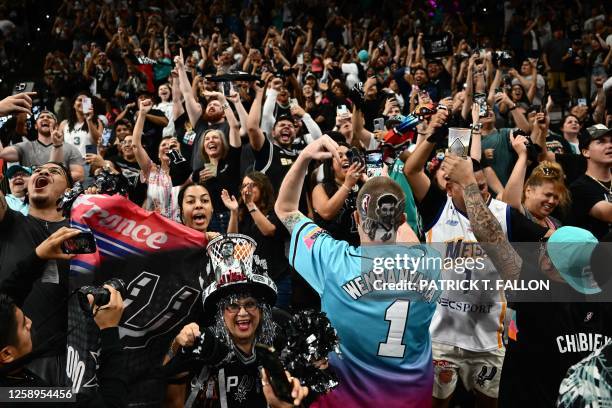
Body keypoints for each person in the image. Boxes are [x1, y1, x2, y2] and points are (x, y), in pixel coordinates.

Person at [275, 136, 441, 407]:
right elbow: (408, 237)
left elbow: (285, 209)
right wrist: (382, 185)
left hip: (346, 401)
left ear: (355, 217)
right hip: (413, 400)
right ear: (400, 218)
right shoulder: (429, 264)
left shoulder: (334, 262)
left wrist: (304, 157)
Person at [440, 154, 612, 407]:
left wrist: (468, 183)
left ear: (548, 263)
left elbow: (491, 237)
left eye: (545, 248)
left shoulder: (539, 294)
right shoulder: (604, 296)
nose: (540, 248)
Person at [164, 234, 308, 408]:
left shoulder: (277, 341)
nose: (242, 313)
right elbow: (171, 393)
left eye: (250, 304)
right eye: (232, 306)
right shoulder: (203, 342)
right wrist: (178, 344)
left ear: (261, 310)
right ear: (220, 312)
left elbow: (303, 391)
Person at [0, 228, 127, 408]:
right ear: (6, 354)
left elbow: (8, 295)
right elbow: (111, 404)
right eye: (23, 326)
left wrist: (39, 256)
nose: (29, 322)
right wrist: (109, 330)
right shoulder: (27, 396)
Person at [222, 172, 292, 309]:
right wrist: (234, 212)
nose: (246, 189)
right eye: (244, 186)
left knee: (277, 321)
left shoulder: (276, 209)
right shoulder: (244, 213)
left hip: (278, 279)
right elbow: (232, 240)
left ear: (263, 188)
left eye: (251, 185)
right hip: (253, 282)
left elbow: (268, 230)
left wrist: (250, 204)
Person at [132, 98, 182, 222]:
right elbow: (136, 146)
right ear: (158, 154)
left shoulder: (186, 175)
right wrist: (142, 114)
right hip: (154, 229)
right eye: (164, 145)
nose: (168, 147)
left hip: (179, 229)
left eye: (172, 145)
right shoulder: (152, 170)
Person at [0, 110, 84, 182]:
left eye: (49, 117)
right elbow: (3, 154)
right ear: (36, 126)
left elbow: (79, 175)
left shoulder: (70, 148)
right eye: (41, 117)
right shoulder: (25, 146)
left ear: (57, 126)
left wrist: (51, 180)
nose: (45, 118)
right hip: (33, 197)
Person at [311, 142, 363, 247]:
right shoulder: (320, 188)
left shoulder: (363, 184)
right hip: (334, 250)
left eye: (348, 155)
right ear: (331, 166)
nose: (345, 158)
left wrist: (367, 180)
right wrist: (347, 184)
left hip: (362, 247)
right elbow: (327, 213)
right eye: (339, 156)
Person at [568, 124, 612, 239]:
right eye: (601, 141)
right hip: (601, 254)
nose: (610, 145)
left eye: (611, 141)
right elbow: (608, 213)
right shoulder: (578, 188)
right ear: (586, 152)